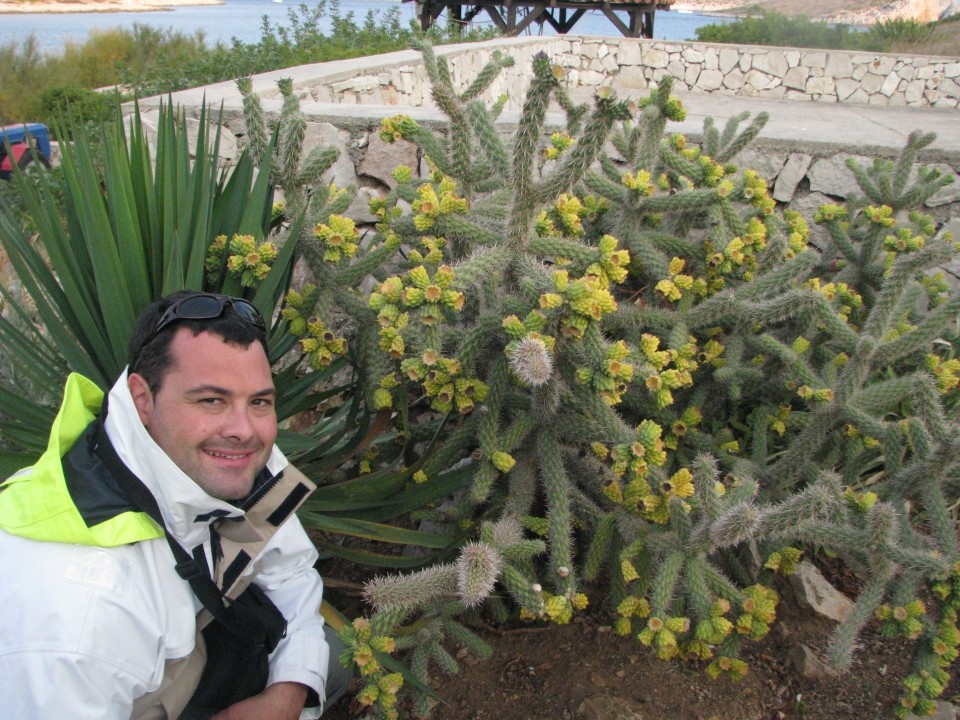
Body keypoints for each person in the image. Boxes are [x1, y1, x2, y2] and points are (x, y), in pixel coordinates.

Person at [0, 290, 351, 719]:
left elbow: (290, 571)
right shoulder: (83, 617)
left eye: (259, 401)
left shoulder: (225, 458)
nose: (245, 429)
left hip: (192, 655)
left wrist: (289, 691)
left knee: (329, 660)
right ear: (143, 399)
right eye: (211, 400)